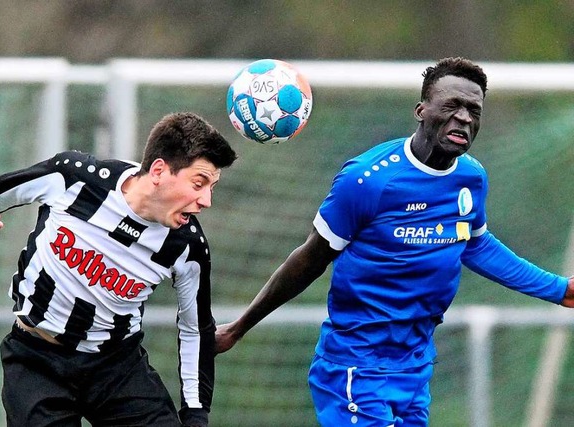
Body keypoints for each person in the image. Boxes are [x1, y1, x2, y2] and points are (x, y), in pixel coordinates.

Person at [215, 57, 574, 426]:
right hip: (356, 368)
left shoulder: (471, 177)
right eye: (452, 106)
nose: (464, 118)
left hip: (415, 367)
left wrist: (559, 289)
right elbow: (310, 258)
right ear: (421, 110)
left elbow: (475, 244)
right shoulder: (367, 180)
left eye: (473, 110)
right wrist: (240, 326)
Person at [0, 112, 238, 427]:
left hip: (117, 368)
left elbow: (195, 328)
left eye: (212, 187)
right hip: (35, 360)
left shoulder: (187, 244)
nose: (206, 200)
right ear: (158, 170)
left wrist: (196, 415)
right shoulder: (75, 178)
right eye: (199, 183)